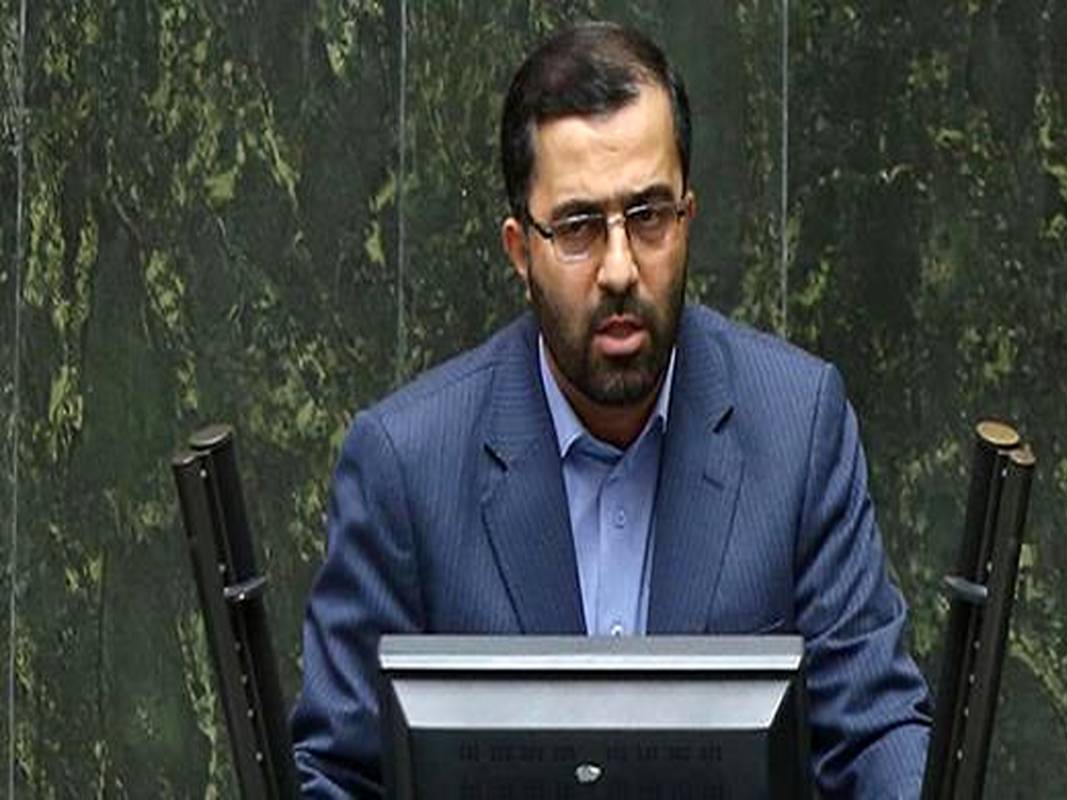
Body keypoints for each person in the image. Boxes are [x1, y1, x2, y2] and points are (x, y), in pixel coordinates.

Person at [292, 21, 931, 798]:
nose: (621, 268)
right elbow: (336, 773)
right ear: (520, 249)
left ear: (688, 218)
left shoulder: (797, 428)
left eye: (649, 216)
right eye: (579, 229)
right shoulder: (405, 464)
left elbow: (875, 730)